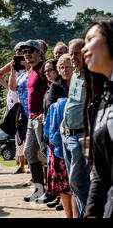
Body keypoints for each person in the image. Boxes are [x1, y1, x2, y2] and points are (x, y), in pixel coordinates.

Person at [81, 18, 113, 218]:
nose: (85, 48)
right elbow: (101, 175)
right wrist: (91, 212)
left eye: (91, 39)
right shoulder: (101, 101)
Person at [60, 38, 91, 217]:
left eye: (76, 53)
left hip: (81, 136)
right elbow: (72, 103)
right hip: (68, 136)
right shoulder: (76, 75)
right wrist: (64, 122)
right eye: (71, 54)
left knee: (78, 181)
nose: (73, 58)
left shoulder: (91, 74)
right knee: (74, 183)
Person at [40, 57, 73, 215]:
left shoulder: (79, 84)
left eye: (68, 67)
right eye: (63, 67)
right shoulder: (55, 86)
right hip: (58, 138)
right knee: (63, 182)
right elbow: (51, 109)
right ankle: (69, 215)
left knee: (74, 182)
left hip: (75, 134)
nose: (66, 70)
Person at [21, 40, 48, 202]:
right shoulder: (31, 70)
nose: (27, 53)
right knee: (29, 153)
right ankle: (39, 190)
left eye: (31, 50)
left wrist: (45, 112)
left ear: (39, 52)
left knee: (45, 154)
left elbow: (52, 90)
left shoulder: (44, 69)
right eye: (25, 51)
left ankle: (52, 191)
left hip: (41, 117)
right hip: (31, 117)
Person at [8, 47, 30, 174]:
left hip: (32, 110)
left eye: (26, 53)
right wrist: (12, 70)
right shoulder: (20, 73)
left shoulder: (33, 69)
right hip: (21, 108)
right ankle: (23, 166)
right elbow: (12, 87)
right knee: (21, 137)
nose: (22, 56)